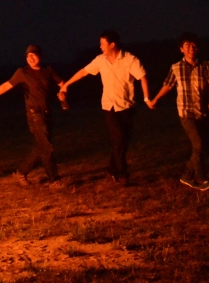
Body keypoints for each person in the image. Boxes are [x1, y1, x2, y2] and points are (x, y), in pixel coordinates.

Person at [60, 30, 149, 186]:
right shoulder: (100, 60)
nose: (100, 46)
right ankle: (122, 174)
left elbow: (142, 77)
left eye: (103, 43)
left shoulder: (129, 59)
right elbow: (83, 72)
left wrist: (147, 98)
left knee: (122, 141)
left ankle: (111, 169)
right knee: (119, 139)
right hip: (109, 106)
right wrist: (66, 84)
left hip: (126, 105)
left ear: (112, 44)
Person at [0, 45, 68, 187]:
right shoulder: (22, 72)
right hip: (34, 114)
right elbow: (7, 85)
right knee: (47, 147)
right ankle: (54, 180)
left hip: (47, 112)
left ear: (40, 56)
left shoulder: (48, 70)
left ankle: (22, 172)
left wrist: (63, 93)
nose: (30, 58)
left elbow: (62, 83)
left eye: (33, 55)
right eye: (27, 56)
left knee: (40, 146)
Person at [147, 32, 209, 190]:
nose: (192, 48)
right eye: (187, 45)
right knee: (198, 145)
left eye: (194, 45)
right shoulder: (176, 67)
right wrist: (156, 99)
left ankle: (186, 176)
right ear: (181, 49)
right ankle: (201, 179)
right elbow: (168, 85)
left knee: (203, 146)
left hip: (203, 110)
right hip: (186, 112)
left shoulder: (206, 65)